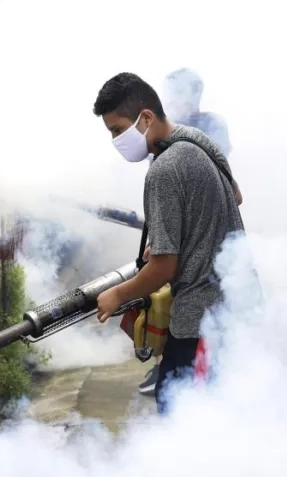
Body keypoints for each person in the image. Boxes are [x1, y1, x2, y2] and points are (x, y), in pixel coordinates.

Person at [92, 72, 245, 415]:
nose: (116, 140)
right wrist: (178, 235)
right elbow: (234, 196)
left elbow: (164, 268)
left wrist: (117, 294)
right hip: (237, 308)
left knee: (182, 412)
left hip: (202, 318)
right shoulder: (198, 140)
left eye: (117, 130)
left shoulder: (163, 169)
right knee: (229, 413)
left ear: (145, 118)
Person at [135, 68, 241, 395]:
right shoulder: (162, 135)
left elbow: (228, 191)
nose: (174, 100)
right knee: (166, 305)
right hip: (176, 241)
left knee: (205, 325)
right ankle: (167, 367)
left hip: (206, 252)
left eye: (179, 94)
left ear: (195, 95)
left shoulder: (208, 129)